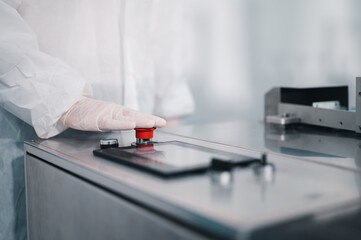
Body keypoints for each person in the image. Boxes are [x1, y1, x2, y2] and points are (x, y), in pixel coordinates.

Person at [0, 0, 195, 239]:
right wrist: (61, 99)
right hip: (32, 115)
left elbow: (164, 25)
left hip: (141, 114)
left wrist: (171, 110)